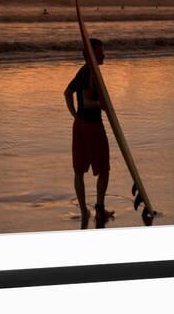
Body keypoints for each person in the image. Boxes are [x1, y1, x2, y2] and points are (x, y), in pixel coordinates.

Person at [64, 38, 114, 228]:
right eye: (101, 52)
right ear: (92, 55)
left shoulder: (83, 71)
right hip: (92, 126)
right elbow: (87, 101)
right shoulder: (90, 73)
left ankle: (84, 211)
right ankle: (99, 207)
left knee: (79, 170)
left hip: (79, 126)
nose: (104, 55)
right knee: (104, 169)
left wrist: (75, 115)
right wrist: (103, 104)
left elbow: (67, 93)